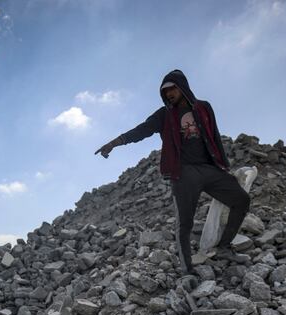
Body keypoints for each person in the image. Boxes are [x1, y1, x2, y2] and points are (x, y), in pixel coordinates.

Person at [94, 69, 250, 274]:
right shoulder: (164, 115)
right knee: (184, 223)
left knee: (241, 200)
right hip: (183, 173)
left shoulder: (203, 108)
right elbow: (142, 130)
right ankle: (187, 270)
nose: (168, 94)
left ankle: (223, 247)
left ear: (182, 86)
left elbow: (214, 135)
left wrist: (223, 165)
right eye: (165, 91)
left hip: (209, 168)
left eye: (172, 88)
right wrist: (115, 143)